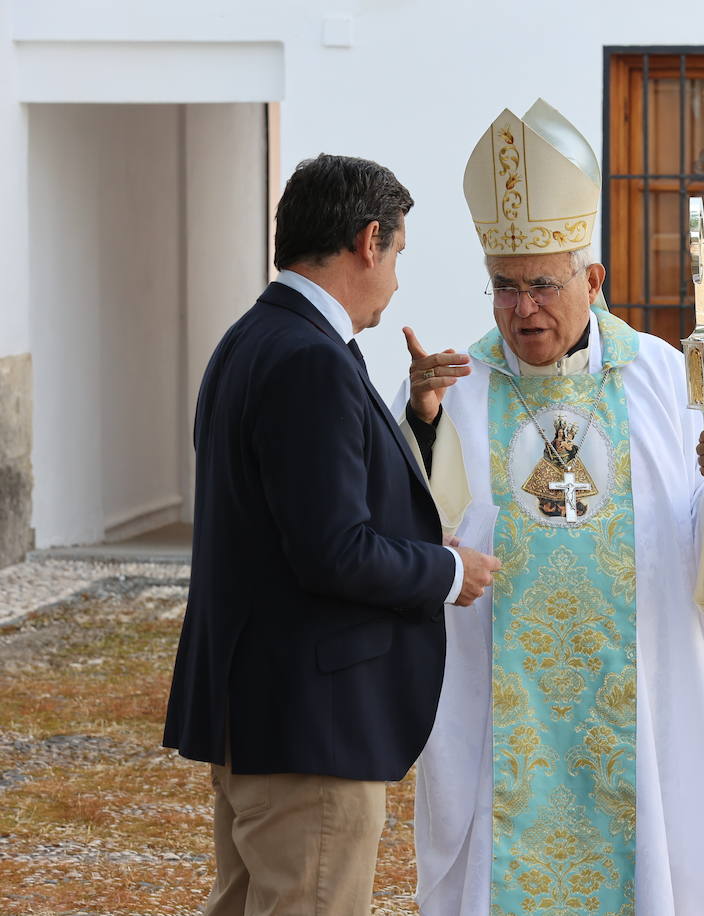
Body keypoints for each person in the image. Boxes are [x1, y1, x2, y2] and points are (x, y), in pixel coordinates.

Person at [393, 100, 704, 915]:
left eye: (542, 284)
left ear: (592, 281)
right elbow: (419, 535)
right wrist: (422, 429)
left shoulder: (661, 378)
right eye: (505, 287)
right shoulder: (456, 389)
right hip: (508, 720)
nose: (523, 308)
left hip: (633, 710)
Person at [162, 154, 501, 916]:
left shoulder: (255, 339)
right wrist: (447, 572)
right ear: (367, 241)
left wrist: (415, 418)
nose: (397, 281)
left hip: (259, 709)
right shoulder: (310, 360)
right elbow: (331, 550)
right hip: (309, 729)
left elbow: (300, 510)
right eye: (399, 254)